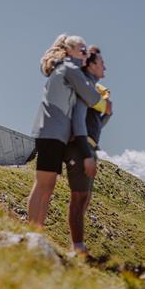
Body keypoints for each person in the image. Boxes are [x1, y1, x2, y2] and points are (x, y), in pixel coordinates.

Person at [28, 34, 112, 227]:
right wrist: (105, 104)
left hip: (52, 134)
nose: (85, 54)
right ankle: (32, 231)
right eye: (82, 50)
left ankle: (36, 230)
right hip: (52, 134)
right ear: (69, 51)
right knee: (43, 186)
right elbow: (91, 97)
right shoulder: (70, 68)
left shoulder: (63, 68)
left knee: (47, 187)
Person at [64, 46, 112, 254]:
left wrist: (109, 110)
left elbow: (98, 124)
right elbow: (79, 122)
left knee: (85, 198)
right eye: (102, 63)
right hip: (79, 147)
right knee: (78, 197)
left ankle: (77, 245)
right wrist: (85, 153)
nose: (105, 67)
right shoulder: (86, 90)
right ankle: (77, 247)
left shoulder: (95, 92)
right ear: (91, 65)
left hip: (89, 146)